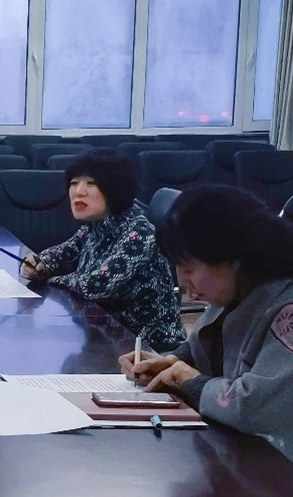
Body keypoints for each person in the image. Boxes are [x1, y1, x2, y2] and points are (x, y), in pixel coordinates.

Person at [123, 184, 293, 492]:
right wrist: (174, 361)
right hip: (257, 464)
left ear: (233, 259)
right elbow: (210, 342)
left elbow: (256, 406)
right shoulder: (243, 287)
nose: (182, 282)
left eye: (188, 267)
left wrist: (189, 380)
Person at [21, 148, 185, 351]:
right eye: (74, 183)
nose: (79, 191)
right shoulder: (96, 224)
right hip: (108, 335)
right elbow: (64, 252)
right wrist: (39, 263)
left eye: (91, 183)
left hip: (148, 348)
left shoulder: (139, 233)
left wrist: (53, 279)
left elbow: (95, 285)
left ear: (115, 189)